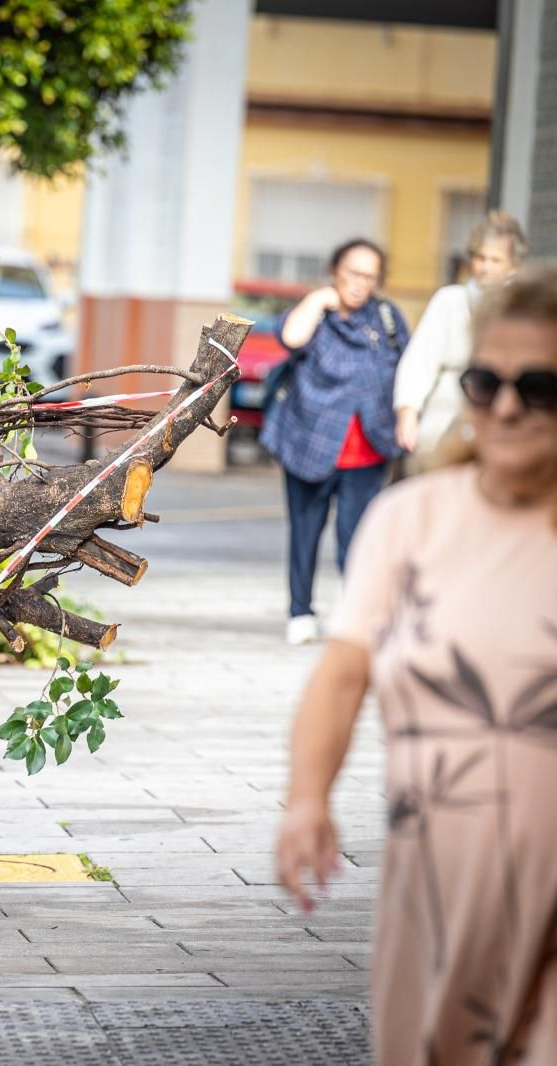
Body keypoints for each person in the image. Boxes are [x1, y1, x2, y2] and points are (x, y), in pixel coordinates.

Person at [275, 270, 557, 1065]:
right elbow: (342, 674)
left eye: (537, 387)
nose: (505, 407)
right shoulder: (413, 518)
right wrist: (306, 801)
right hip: (431, 895)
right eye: (486, 383)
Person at [262, 239, 410, 645]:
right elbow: (291, 338)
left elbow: (407, 366)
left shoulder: (385, 316)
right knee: (305, 532)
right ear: (335, 270)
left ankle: (357, 613)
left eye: (370, 276)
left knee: (358, 538)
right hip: (308, 441)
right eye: (352, 273)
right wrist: (319, 300)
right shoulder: (315, 313)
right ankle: (300, 612)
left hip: (369, 446)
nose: (360, 284)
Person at [394, 210, 527, 467]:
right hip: (442, 420)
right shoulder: (449, 300)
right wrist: (407, 414)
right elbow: (419, 361)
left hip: (498, 418)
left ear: (514, 264)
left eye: (495, 260)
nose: (485, 267)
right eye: (480, 258)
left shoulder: (522, 306)